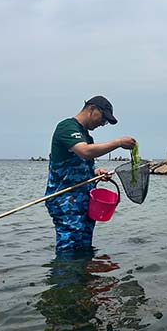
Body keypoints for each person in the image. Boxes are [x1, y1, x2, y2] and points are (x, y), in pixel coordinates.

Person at [45, 95, 136, 253]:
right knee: (69, 250)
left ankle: (84, 277)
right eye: (103, 118)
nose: (103, 123)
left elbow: (78, 167)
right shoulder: (66, 127)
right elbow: (85, 152)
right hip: (66, 203)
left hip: (85, 203)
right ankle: (64, 277)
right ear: (92, 109)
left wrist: (95, 173)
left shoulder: (87, 137)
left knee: (84, 249)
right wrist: (118, 143)